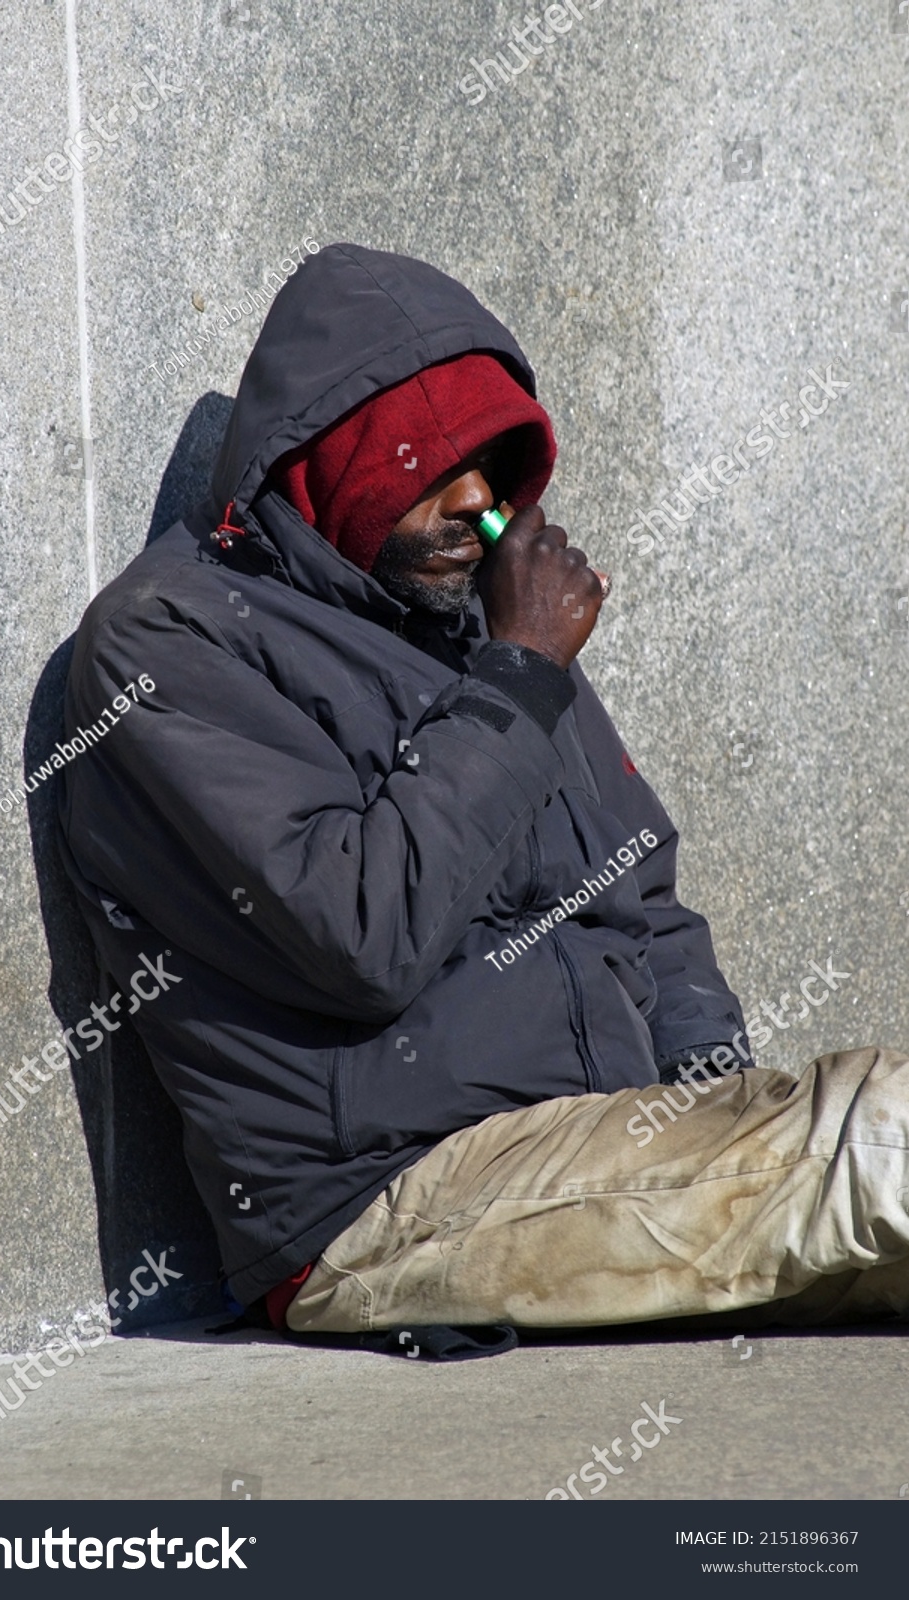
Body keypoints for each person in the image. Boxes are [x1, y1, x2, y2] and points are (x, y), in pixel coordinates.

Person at [58, 242, 909, 1342]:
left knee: (862, 1169)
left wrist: (710, 1095)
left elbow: (641, 896)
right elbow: (360, 934)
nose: (475, 502)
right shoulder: (165, 645)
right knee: (884, 1141)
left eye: (497, 467)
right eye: (431, 463)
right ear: (327, 459)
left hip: (601, 1145)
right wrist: (518, 675)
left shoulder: (477, 625)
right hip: (389, 1199)